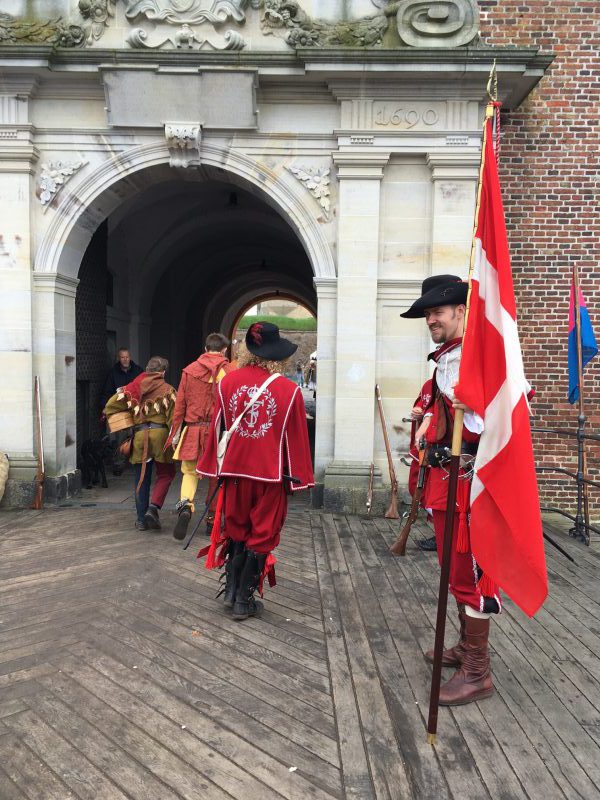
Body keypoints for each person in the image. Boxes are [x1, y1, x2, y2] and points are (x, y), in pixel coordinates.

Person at [400, 274, 500, 706]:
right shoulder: (447, 358)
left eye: (437, 312)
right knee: (453, 572)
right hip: (445, 481)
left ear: (462, 310)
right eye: (427, 314)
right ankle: (464, 647)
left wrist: (474, 406)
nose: (430, 320)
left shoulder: (483, 357)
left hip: (470, 486)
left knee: (472, 575)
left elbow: (510, 413)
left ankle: (478, 671)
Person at [197, 321, 314, 621]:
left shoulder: (227, 383)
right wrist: (299, 478)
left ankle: (233, 593)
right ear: (277, 355)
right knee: (261, 535)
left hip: (234, 474)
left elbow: (219, 428)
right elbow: (296, 438)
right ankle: (242, 601)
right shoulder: (289, 391)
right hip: (269, 476)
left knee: (235, 530)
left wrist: (214, 467)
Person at [166, 333, 233, 541]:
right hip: (217, 431)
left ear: (205, 349)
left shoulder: (189, 370)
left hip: (193, 429)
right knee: (217, 476)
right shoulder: (229, 372)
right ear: (223, 351)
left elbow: (180, 405)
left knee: (189, 472)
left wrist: (175, 434)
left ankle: (185, 506)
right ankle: (212, 519)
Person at [104, 356, 177, 531]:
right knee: (166, 474)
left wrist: (130, 418)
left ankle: (141, 520)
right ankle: (153, 508)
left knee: (141, 479)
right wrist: (175, 441)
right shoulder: (168, 390)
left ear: (147, 370)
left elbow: (109, 406)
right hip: (160, 437)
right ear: (163, 372)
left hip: (139, 437)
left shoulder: (132, 388)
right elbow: (174, 420)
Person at [407, 379, 436, 552]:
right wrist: (417, 411)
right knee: (416, 486)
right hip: (423, 447)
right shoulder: (429, 384)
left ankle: (442, 536)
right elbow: (421, 403)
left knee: (435, 494)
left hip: (437, 448)